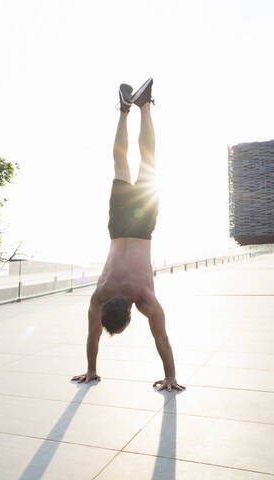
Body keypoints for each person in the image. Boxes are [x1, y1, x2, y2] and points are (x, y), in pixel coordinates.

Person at [72, 78, 185, 392]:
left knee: (148, 160)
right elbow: (93, 335)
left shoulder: (143, 297)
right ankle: (124, 110)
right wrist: (90, 368)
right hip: (118, 226)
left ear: (131, 313)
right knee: (121, 161)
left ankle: (144, 105)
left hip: (142, 228)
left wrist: (171, 377)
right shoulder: (100, 295)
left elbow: (161, 338)